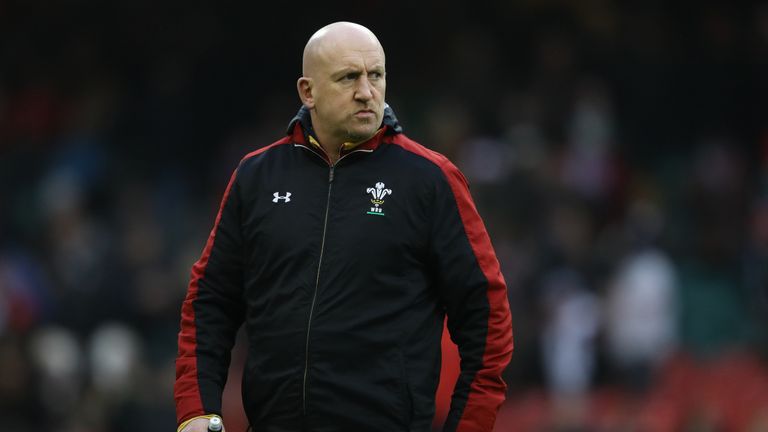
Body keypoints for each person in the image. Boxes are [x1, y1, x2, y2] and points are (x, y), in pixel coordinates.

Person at [174, 21, 513, 432]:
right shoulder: (257, 176)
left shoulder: (430, 180)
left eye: (376, 75)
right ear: (308, 91)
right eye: (348, 77)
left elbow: (487, 315)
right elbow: (210, 300)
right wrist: (197, 410)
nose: (366, 91)